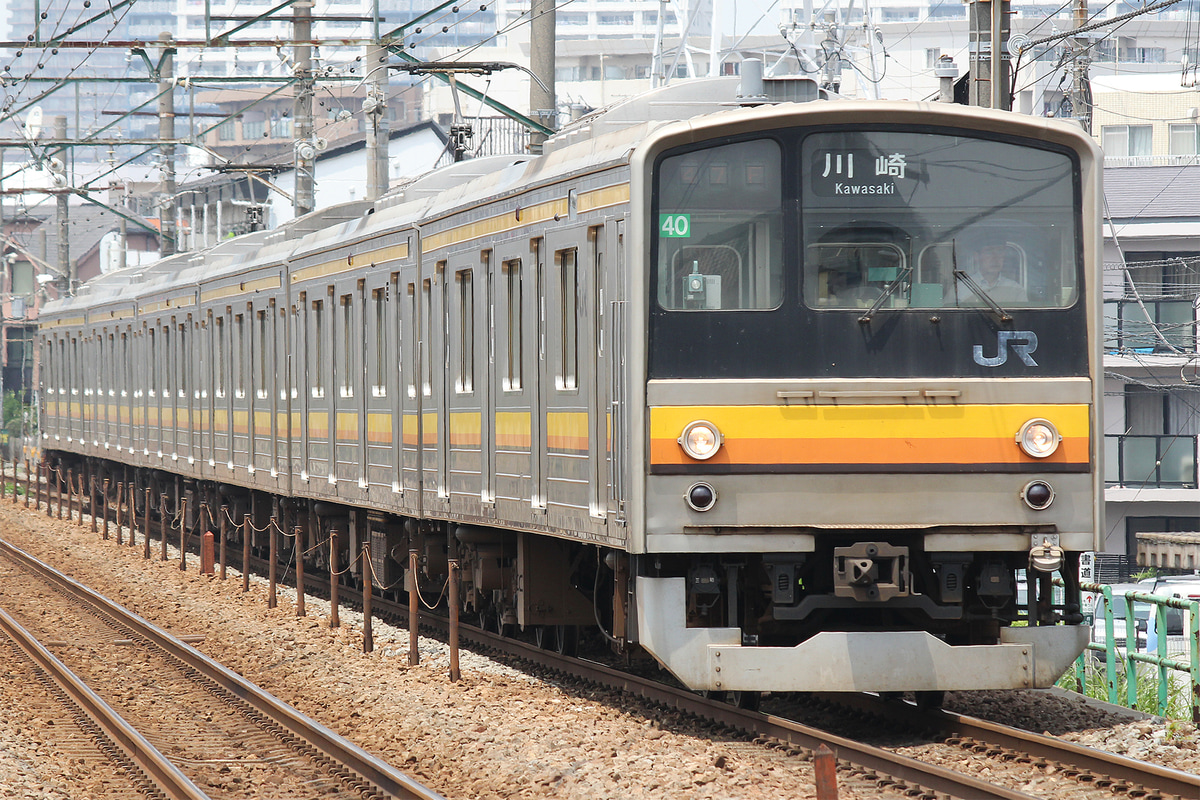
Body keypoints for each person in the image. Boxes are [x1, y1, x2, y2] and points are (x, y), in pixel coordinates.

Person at [965, 238, 1026, 304]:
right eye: (988, 252)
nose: (995, 258)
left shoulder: (1016, 290)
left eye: (1000, 251)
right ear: (976, 256)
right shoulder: (962, 288)